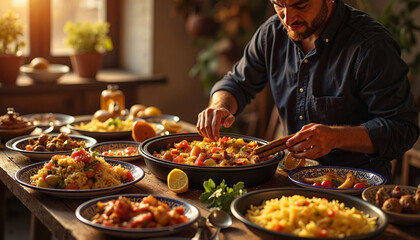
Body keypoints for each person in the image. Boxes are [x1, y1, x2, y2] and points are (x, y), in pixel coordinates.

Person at [196, 0, 419, 182]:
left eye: (300, 5)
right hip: (292, 181)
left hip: (357, 189)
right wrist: (219, 105)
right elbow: (236, 82)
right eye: (279, 4)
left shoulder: (370, 45)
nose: (288, 18)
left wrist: (336, 137)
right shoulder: (272, 33)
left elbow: (402, 128)